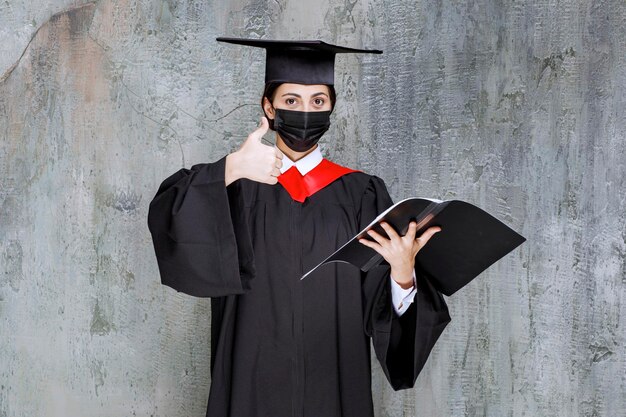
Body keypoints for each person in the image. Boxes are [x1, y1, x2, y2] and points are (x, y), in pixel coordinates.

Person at [148, 38, 451, 417]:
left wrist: (404, 277)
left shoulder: (362, 194)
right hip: (250, 382)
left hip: (334, 384)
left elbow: (382, 307)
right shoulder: (235, 184)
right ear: (268, 107)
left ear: (331, 108)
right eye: (291, 100)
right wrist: (229, 168)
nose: (306, 111)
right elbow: (168, 217)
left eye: (318, 101)